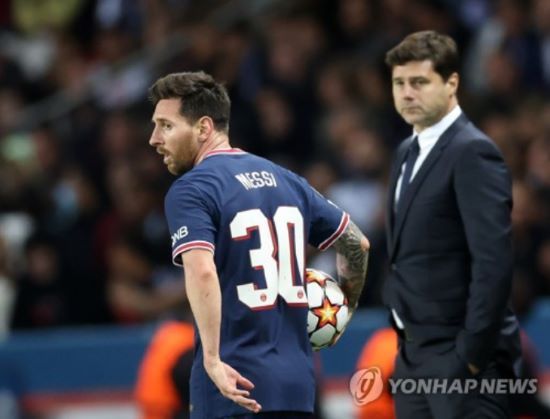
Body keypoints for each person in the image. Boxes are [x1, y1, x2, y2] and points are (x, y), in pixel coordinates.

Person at [147, 71, 369, 418]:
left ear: (204, 128)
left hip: (233, 388)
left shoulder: (192, 189)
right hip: (297, 390)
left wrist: (212, 360)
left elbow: (201, 271)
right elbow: (357, 243)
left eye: (166, 126)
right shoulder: (286, 180)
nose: (154, 139)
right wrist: (344, 307)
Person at [383, 31, 522, 418]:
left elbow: (493, 263)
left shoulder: (472, 151)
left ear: (452, 83)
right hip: (413, 358)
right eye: (399, 83)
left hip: (462, 361)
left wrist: (470, 358)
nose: (407, 93)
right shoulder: (405, 152)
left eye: (419, 82)